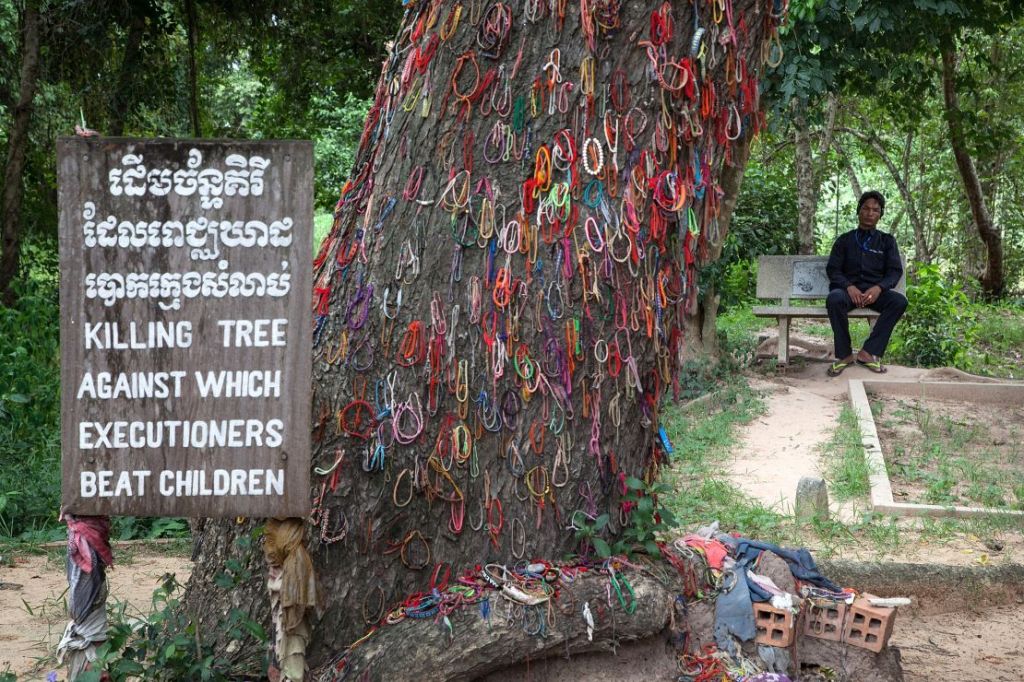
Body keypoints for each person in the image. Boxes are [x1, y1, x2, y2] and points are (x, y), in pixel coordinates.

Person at [825, 191, 907, 376]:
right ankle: (844, 355)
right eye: (866, 208)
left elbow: (895, 271)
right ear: (859, 211)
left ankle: (868, 352)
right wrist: (849, 286)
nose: (870, 213)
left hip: (874, 294)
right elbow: (833, 270)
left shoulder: (887, 241)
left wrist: (879, 288)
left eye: (875, 210)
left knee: (899, 301)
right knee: (834, 299)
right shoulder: (844, 240)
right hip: (848, 292)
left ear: (880, 215)